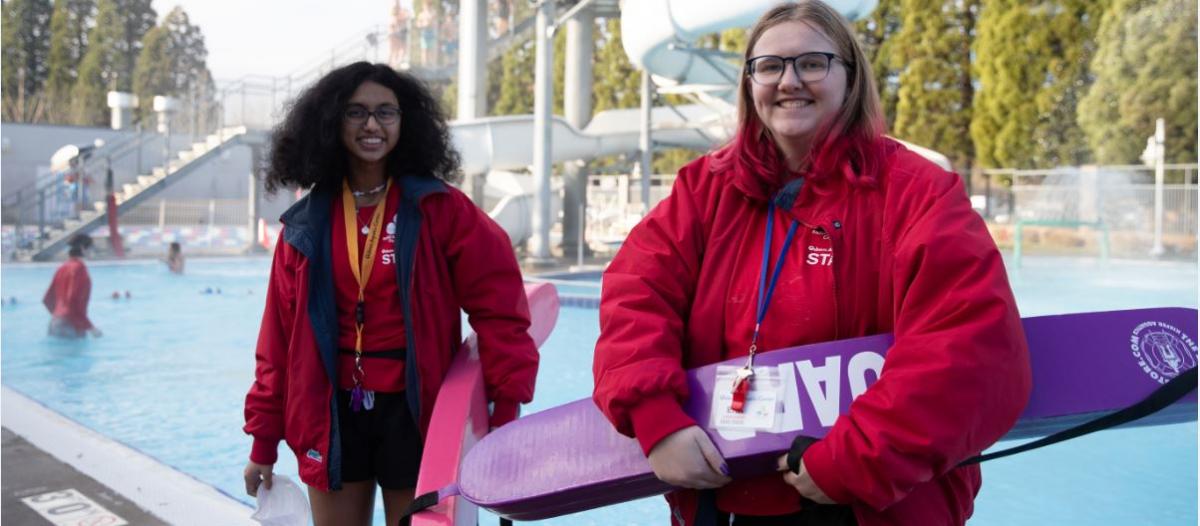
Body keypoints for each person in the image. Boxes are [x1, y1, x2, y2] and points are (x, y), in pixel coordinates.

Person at [592, 2, 1031, 525]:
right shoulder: (705, 190)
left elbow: (968, 351)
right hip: (726, 496)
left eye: (813, 63)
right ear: (750, 82)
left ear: (850, 76)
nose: (789, 81)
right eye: (770, 66)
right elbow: (635, 296)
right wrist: (656, 418)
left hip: (872, 503)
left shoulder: (918, 194)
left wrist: (857, 457)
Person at [241, 62, 538, 526]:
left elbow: (499, 308)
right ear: (331, 121)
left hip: (415, 411)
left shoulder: (439, 210)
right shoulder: (306, 224)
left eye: (386, 112)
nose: (373, 125)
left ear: (407, 122)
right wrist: (263, 442)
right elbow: (276, 345)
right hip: (331, 411)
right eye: (356, 112)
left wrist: (504, 408)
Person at [43, 234, 102, 338]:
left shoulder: (61, 268)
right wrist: (90, 327)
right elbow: (73, 301)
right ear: (83, 248)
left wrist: (60, 315)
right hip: (71, 325)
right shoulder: (80, 269)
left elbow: (47, 299)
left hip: (54, 323)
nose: (92, 251)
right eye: (90, 247)